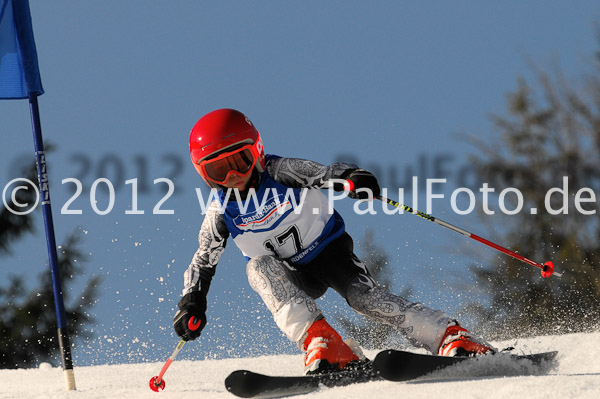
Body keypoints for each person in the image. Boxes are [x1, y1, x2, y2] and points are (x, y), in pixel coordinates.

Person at [173, 108, 493, 374]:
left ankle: (450, 335)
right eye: (218, 171)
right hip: (290, 276)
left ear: (256, 152)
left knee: (365, 300)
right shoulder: (219, 211)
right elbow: (204, 258)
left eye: (239, 162)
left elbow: (324, 173)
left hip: (329, 252)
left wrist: (352, 177)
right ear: (204, 174)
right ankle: (324, 342)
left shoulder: (282, 171)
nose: (233, 178)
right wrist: (192, 301)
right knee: (257, 267)